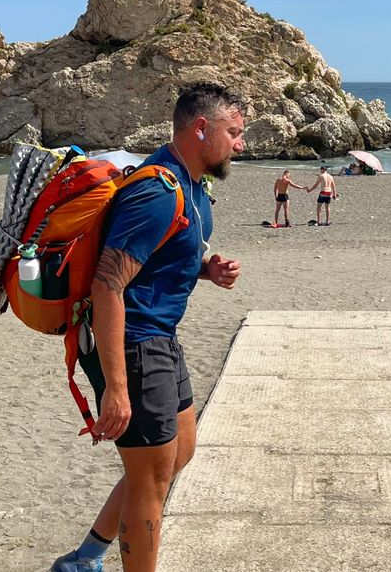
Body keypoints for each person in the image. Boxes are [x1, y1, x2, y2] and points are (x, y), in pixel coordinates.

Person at [53, 82, 244, 572]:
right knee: (150, 481)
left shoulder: (193, 186)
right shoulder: (157, 191)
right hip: (133, 344)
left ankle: (84, 560)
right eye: (234, 132)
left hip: (159, 338)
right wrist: (116, 387)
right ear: (201, 129)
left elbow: (162, 255)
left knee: (177, 455)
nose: (240, 144)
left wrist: (207, 268)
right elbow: (107, 287)